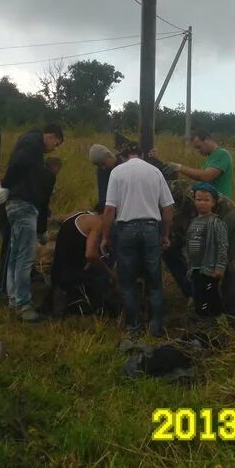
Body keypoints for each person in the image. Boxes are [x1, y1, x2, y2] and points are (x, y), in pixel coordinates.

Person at [0, 124, 64, 322]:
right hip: (24, 205)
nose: (53, 149)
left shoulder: (30, 145)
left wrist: (8, 188)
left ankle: (14, 299)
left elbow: (19, 167)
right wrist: (5, 185)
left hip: (14, 204)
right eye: (55, 144)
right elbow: (18, 165)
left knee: (15, 255)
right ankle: (23, 303)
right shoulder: (32, 143)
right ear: (50, 135)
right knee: (25, 257)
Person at [101, 142, 174, 337]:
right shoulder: (155, 172)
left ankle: (133, 328)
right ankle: (156, 328)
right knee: (155, 281)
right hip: (151, 228)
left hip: (126, 229)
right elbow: (167, 208)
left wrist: (106, 236)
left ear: (124, 156)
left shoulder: (117, 172)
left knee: (127, 281)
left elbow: (109, 209)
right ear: (141, 155)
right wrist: (165, 235)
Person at [167, 177, 235, 318]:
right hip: (226, 215)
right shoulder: (169, 187)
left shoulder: (173, 190)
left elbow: (176, 220)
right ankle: (212, 307)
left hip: (228, 216)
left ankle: (226, 312)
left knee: (224, 265)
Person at [41, 205, 118, 317]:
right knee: (102, 276)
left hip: (57, 274)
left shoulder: (79, 216)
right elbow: (90, 255)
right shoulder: (97, 222)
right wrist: (110, 272)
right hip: (71, 277)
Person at [186, 183, 229, 319]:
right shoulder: (193, 222)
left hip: (209, 268)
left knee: (210, 294)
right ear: (194, 201)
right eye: (199, 200)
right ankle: (201, 318)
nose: (202, 203)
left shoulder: (216, 222)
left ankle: (215, 319)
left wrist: (220, 266)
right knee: (198, 294)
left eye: (206, 200)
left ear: (213, 202)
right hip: (196, 267)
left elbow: (222, 245)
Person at [155, 129, 234, 199]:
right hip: (207, 202)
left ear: (207, 139)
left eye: (199, 147)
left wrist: (180, 168)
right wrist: (157, 159)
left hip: (220, 203)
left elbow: (206, 176)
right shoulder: (210, 157)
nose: (197, 151)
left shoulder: (222, 154)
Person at [88, 143, 122, 208]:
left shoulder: (125, 164)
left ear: (109, 156)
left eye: (103, 164)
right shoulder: (102, 171)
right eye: (99, 166)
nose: (103, 168)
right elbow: (103, 197)